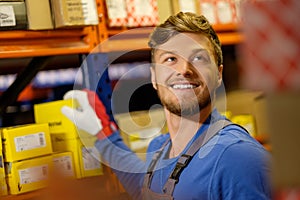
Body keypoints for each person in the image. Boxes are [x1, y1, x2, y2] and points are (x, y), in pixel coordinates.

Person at [61, 12, 271, 200]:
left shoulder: (237, 158)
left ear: (218, 75)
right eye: (170, 59)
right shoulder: (160, 149)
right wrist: (104, 135)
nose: (184, 69)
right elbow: (145, 188)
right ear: (154, 77)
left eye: (198, 58)